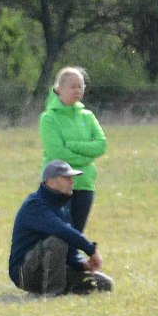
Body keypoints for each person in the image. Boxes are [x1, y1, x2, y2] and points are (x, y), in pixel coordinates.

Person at [8, 159, 113, 296]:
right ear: (50, 181)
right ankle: (52, 294)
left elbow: (70, 249)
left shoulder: (62, 205)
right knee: (57, 240)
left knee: (104, 284)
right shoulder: (35, 205)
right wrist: (91, 249)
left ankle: (49, 291)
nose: (72, 182)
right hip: (25, 273)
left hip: (53, 271)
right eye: (67, 178)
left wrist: (82, 264)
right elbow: (62, 231)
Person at [38, 66, 107, 233]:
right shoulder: (49, 118)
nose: (77, 90)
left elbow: (101, 145)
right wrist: (86, 158)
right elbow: (57, 153)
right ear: (59, 88)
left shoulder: (88, 116)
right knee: (57, 237)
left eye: (80, 86)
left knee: (76, 236)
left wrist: (73, 146)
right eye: (73, 86)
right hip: (57, 186)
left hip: (84, 184)